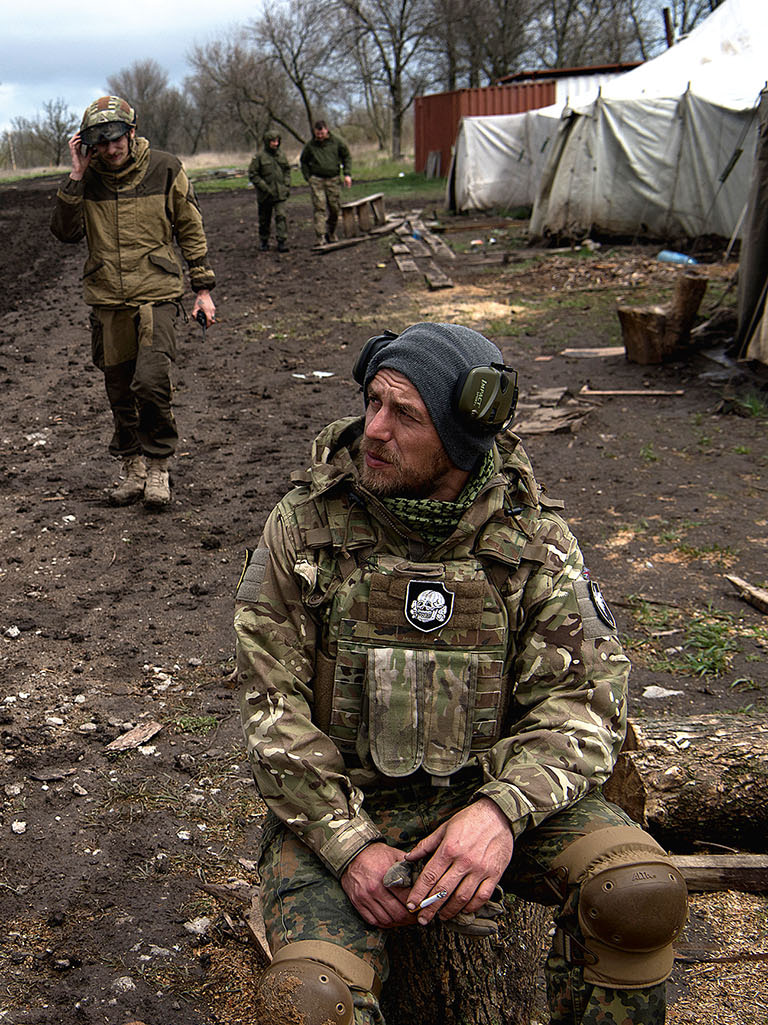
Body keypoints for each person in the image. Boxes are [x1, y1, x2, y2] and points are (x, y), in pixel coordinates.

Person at [233, 322, 687, 1024]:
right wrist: (349, 844)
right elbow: (272, 710)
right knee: (309, 1003)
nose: (374, 429)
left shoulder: (532, 540)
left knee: (637, 892)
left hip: (492, 796)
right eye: (372, 401)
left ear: (462, 433)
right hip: (344, 809)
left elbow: (585, 705)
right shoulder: (305, 527)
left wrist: (501, 810)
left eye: (405, 414)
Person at [50, 95, 216, 510]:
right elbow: (65, 233)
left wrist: (203, 288)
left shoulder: (165, 168)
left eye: (116, 140)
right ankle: (133, 465)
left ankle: (158, 466)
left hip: (156, 293)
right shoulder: (87, 179)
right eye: (100, 144)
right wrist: (75, 176)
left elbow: (189, 226)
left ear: (132, 133)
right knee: (120, 388)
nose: (110, 150)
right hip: (108, 297)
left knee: (151, 381)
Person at [299, 120, 352, 244]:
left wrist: (347, 174)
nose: (320, 136)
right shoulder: (310, 145)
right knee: (319, 208)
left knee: (334, 208)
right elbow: (304, 161)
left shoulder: (337, 142)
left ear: (326, 130)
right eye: (317, 134)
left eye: (322, 133)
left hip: (333, 179)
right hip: (317, 180)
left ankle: (331, 232)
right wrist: (308, 177)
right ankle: (320, 236)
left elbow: (347, 157)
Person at [247, 129, 291, 253]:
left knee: (281, 216)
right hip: (265, 195)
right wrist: (264, 187)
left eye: (277, 141)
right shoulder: (259, 157)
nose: (275, 144)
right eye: (273, 141)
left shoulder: (281, 155)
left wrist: (286, 185)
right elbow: (253, 174)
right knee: (264, 219)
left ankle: (281, 241)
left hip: (280, 193)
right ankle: (264, 241)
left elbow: (287, 170)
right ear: (267, 142)